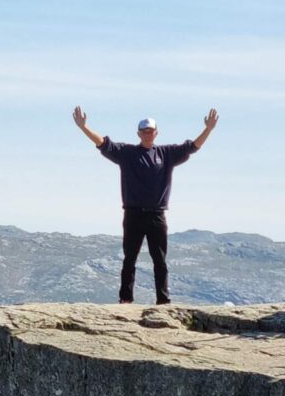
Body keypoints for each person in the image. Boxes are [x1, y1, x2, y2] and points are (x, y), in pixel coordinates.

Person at [72, 106, 218, 304]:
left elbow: (192, 147)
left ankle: (163, 301)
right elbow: (103, 144)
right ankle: (126, 300)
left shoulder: (167, 154)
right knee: (129, 259)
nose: (148, 134)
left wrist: (208, 130)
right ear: (138, 133)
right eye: (144, 131)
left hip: (157, 215)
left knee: (160, 261)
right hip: (133, 214)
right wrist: (84, 127)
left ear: (156, 133)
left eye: (151, 131)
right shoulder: (127, 153)